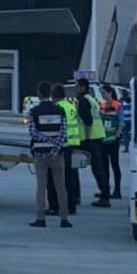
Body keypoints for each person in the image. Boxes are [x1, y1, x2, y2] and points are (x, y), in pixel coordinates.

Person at [27, 81, 71, 228]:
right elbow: (64, 133)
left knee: (41, 187)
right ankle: (64, 219)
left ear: (39, 93)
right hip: (57, 155)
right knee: (61, 186)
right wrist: (54, 149)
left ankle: (41, 219)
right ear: (50, 94)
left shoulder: (34, 111)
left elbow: (33, 132)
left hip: (40, 154)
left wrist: (46, 141)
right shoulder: (60, 111)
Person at [76, 78, 109, 207]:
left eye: (77, 86)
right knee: (98, 168)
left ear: (83, 87)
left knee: (96, 168)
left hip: (89, 138)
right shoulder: (92, 99)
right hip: (97, 136)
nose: (75, 88)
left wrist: (88, 139)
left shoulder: (84, 100)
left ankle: (104, 197)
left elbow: (87, 121)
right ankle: (104, 193)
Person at [48, 83, 80, 215]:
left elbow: (55, 129)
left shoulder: (58, 108)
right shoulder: (70, 106)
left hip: (62, 145)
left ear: (53, 96)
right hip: (73, 144)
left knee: (55, 178)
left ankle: (55, 206)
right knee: (70, 179)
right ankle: (72, 206)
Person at [99, 84, 122, 199]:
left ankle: (117, 190)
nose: (102, 95)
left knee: (114, 164)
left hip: (113, 140)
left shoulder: (117, 105)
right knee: (104, 166)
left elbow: (121, 123)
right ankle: (105, 189)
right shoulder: (102, 105)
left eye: (103, 92)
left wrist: (117, 136)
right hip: (103, 140)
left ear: (109, 92)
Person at [119, 88, 133, 153]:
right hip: (130, 120)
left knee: (125, 135)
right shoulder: (131, 100)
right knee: (129, 135)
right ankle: (131, 146)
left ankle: (127, 148)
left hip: (124, 121)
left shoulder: (121, 101)